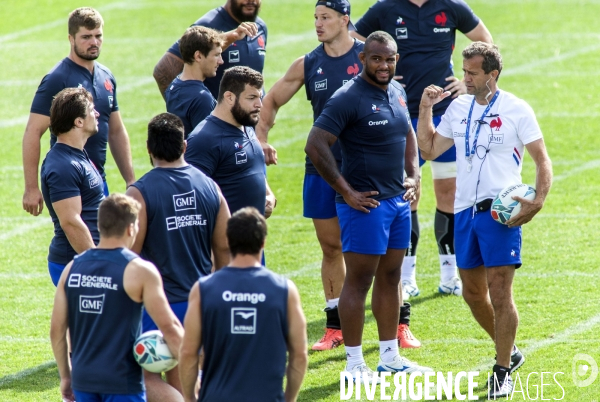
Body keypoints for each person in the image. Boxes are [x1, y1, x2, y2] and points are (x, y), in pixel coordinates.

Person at [256, 0, 419, 351]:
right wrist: (262, 139)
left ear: (345, 19)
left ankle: (399, 324)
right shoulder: (308, 63)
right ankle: (335, 327)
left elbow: (401, 117)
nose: (318, 24)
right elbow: (269, 102)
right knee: (332, 249)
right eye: (315, 17)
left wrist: (412, 172)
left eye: (325, 17)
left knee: (385, 260)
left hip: (371, 176)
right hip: (323, 171)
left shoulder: (374, 56)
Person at [416, 42, 552, 398]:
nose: (465, 79)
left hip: (500, 212)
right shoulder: (458, 107)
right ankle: (511, 350)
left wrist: (537, 201)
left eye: (472, 73)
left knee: (500, 291)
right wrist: (426, 109)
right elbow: (429, 150)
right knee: (473, 294)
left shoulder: (516, 109)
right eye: (464, 72)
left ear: (492, 74)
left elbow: (542, 160)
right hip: (463, 211)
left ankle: (502, 368)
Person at [305, 31, 432, 381]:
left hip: (397, 202)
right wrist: (345, 192)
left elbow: (407, 132)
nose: (384, 65)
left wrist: (413, 174)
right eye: (377, 59)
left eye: (390, 59)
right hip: (365, 206)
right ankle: (354, 364)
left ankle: (390, 357)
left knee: (391, 278)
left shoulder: (396, 90)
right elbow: (315, 145)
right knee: (359, 281)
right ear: (362, 59)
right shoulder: (347, 97)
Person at [352, 0, 493, 298]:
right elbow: (352, 35)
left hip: (444, 113)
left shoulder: (451, 6)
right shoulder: (386, 7)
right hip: (401, 112)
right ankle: (407, 277)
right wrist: (379, 67)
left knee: (449, 193)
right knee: (407, 193)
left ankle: (449, 274)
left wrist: (463, 83)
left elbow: (484, 40)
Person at [126, 113, 230, 402]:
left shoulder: (140, 193)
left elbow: (129, 255)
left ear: (149, 148)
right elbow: (224, 249)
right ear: (184, 146)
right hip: (200, 303)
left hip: (158, 306)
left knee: (142, 379)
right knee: (185, 377)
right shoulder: (210, 187)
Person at [50, 193, 184, 402]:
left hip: (83, 380)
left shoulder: (71, 269)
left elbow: (57, 330)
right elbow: (169, 327)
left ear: (101, 226)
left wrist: (66, 376)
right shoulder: (140, 270)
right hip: (123, 383)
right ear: (131, 228)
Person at [179, 207, 307, 402]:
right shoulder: (285, 290)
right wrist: (288, 399)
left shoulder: (203, 289)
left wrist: (189, 397)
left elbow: (188, 352)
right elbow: (299, 355)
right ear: (263, 242)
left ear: (228, 241)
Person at [23, 7, 134, 217]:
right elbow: (33, 131)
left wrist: (131, 180)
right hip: (69, 178)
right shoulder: (58, 79)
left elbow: (116, 130)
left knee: (98, 243)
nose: (94, 42)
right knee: (75, 241)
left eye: (98, 36)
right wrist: (31, 188)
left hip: (97, 178)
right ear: (70, 38)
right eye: (86, 37)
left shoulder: (106, 77)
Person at [185, 66, 276, 219]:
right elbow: (192, 199)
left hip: (251, 237)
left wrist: (269, 196)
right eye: (251, 98)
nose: (259, 105)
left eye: (260, 97)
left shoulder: (246, 125)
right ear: (229, 97)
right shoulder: (204, 139)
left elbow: (253, 167)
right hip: (224, 240)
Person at [40, 87, 104, 286]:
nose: (97, 114)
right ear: (78, 121)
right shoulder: (63, 166)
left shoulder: (77, 154)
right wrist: (97, 263)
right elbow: (70, 222)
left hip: (84, 258)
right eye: (92, 110)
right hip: (75, 262)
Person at [153, 0, 266, 102]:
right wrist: (184, 109)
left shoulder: (260, 27)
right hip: (216, 122)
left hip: (248, 121)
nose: (251, 1)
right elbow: (164, 70)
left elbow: (255, 70)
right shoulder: (206, 26)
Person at [165, 26, 223, 138]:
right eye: (216, 55)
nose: (221, 61)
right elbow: (209, 144)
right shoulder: (201, 99)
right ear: (198, 56)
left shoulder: (174, 85)